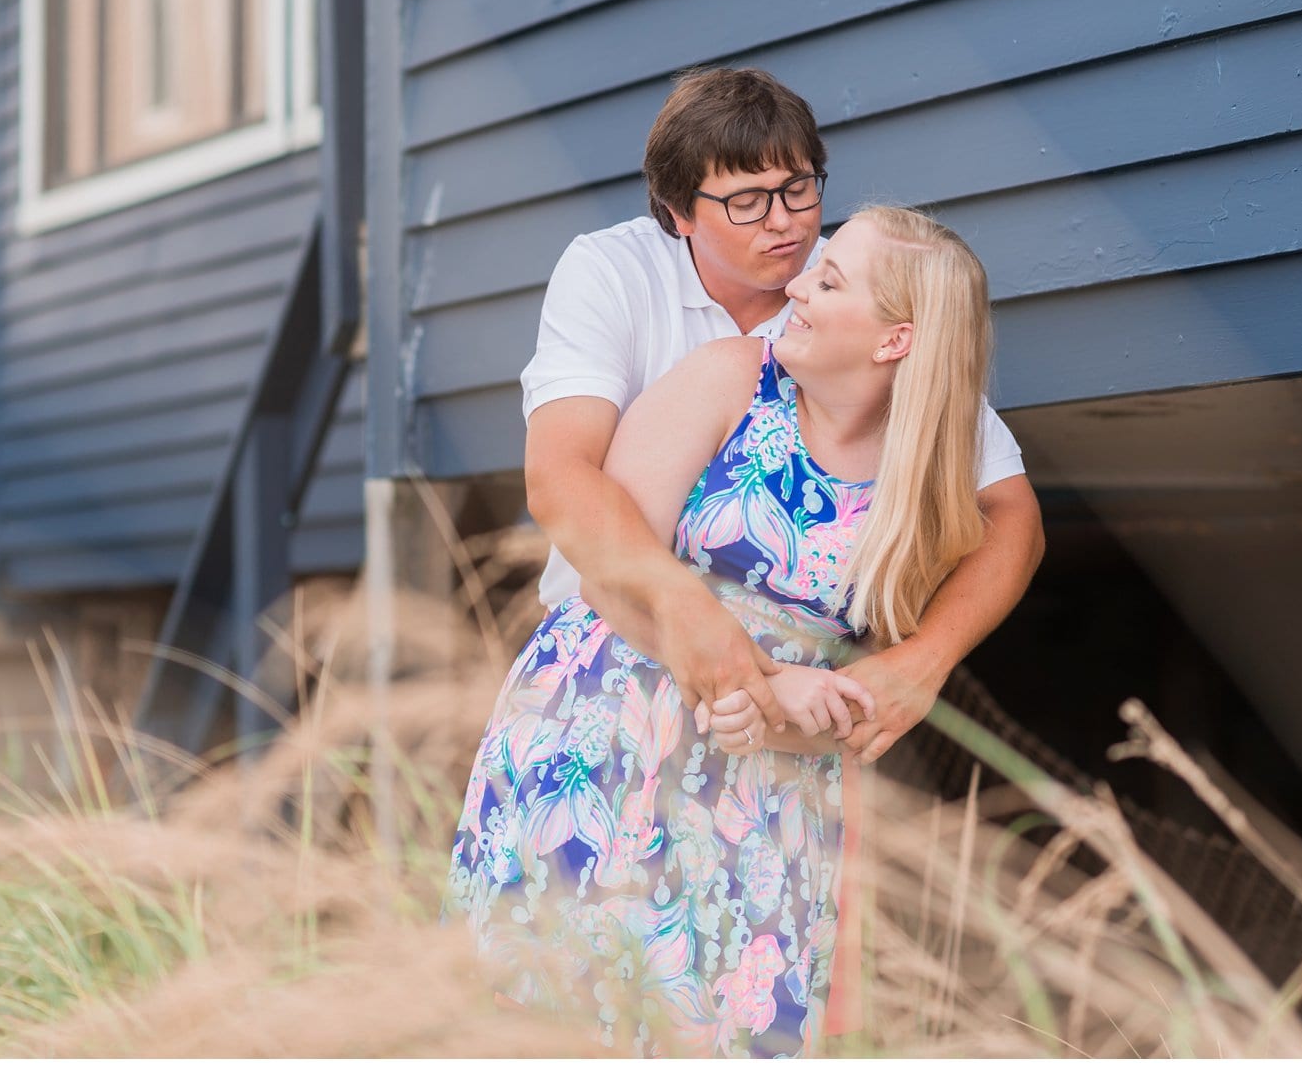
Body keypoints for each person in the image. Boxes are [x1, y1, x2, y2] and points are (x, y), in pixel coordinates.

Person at [446, 205, 1001, 1053]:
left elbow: (864, 679)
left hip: (764, 797)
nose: (798, 285)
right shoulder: (733, 377)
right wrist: (759, 682)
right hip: (607, 738)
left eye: (830, 277)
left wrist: (797, 704)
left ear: (896, 340)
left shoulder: (923, 481)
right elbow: (609, 571)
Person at [519, 67, 1042, 763]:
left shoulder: (856, 285)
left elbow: (1010, 512)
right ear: (679, 215)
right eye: (746, 202)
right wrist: (686, 610)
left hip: (791, 729)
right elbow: (559, 476)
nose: (786, 222)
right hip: (620, 664)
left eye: (799, 188)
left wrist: (924, 660)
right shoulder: (612, 273)